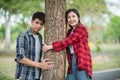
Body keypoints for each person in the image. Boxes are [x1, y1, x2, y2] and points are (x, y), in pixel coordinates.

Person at [42, 8, 92, 80]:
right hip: (71, 61)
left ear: (78, 17)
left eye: (73, 16)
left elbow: (67, 42)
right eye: (68, 17)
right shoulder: (69, 32)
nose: (71, 19)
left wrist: (50, 47)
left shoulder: (81, 28)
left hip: (81, 60)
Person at [15, 11, 53, 80]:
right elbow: (20, 58)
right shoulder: (23, 36)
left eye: (41, 24)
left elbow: (36, 56)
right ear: (32, 21)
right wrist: (39, 65)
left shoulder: (40, 37)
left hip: (37, 75)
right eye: (37, 23)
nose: (38, 26)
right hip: (26, 75)